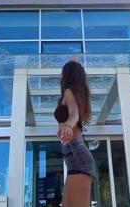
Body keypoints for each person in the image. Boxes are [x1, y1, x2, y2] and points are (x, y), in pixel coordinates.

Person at [54, 60, 96, 207]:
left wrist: (67, 125)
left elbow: (74, 114)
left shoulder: (69, 92)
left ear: (67, 75)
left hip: (78, 157)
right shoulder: (72, 94)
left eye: (63, 72)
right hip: (73, 159)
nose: (60, 75)